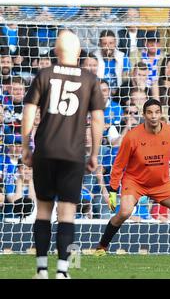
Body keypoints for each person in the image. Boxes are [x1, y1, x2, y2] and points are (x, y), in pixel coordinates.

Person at [21, 30, 105, 279]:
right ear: (79, 53)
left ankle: (41, 270)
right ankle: (63, 272)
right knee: (67, 213)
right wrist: (94, 154)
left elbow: (28, 112)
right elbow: (98, 120)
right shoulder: (90, 79)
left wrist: (26, 147)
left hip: (45, 150)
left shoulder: (45, 74)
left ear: (56, 51)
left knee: (44, 210)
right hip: (73, 153)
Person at [94, 99, 170, 257]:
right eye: (149, 112)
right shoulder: (132, 137)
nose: (153, 116)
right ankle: (101, 247)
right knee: (125, 212)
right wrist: (113, 190)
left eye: (156, 112)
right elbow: (118, 165)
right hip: (135, 182)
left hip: (161, 184)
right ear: (144, 115)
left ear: (161, 114)